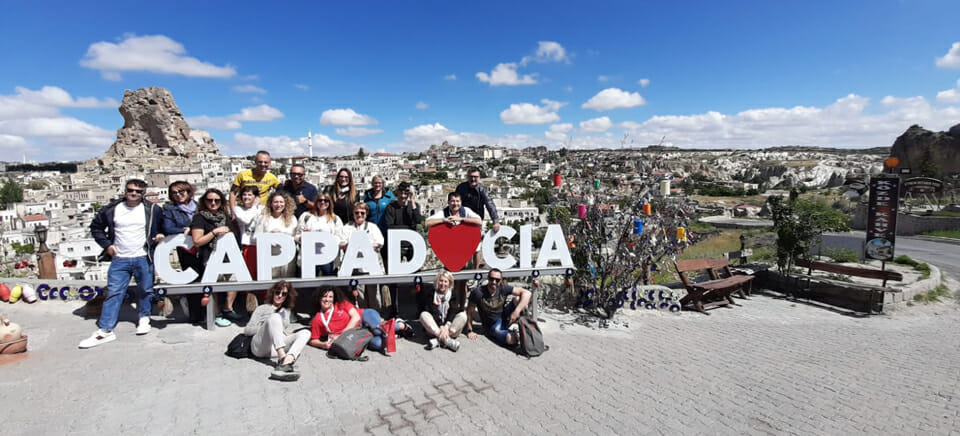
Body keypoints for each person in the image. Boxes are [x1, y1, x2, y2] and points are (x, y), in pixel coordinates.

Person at [80, 179, 165, 348]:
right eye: (131, 190)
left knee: (146, 290)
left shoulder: (153, 209)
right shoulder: (111, 209)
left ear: (144, 194)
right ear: (125, 190)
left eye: (138, 192)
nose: (134, 194)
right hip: (120, 258)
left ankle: (144, 318)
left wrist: (159, 235)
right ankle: (105, 330)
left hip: (143, 256)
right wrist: (107, 246)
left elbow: (162, 227)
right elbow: (96, 228)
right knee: (114, 292)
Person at [308, 288, 412, 353]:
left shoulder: (340, 303)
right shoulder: (318, 319)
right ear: (319, 298)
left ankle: (401, 325)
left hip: (365, 316)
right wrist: (324, 344)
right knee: (378, 344)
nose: (328, 300)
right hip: (357, 333)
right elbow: (313, 340)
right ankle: (390, 333)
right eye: (325, 297)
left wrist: (342, 334)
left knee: (376, 330)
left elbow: (356, 317)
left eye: (330, 297)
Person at [244, 281, 309, 379]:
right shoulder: (262, 308)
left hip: (275, 348)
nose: (280, 296)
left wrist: (282, 332)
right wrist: (265, 327)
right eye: (277, 292)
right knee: (274, 317)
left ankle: (287, 362)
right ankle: (282, 358)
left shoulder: (286, 311)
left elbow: (280, 327)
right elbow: (247, 330)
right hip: (260, 346)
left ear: (287, 296)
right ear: (272, 293)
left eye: (284, 294)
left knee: (306, 333)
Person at [190, 188, 235, 326]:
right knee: (214, 285)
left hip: (228, 255)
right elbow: (197, 241)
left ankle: (228, 308)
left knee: (234, 281)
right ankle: (217, 314)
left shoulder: (224, 216)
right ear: (204, 201)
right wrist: (214, 232)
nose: (213, 203)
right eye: (210, 200)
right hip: (209, 255)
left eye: (217, 200)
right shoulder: (199, 218)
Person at [159, 180, 201, 318]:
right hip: (185, 249)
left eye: (181, 192)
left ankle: (211, 312)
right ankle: (195, 314)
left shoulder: (200, 206)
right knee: (191, 282)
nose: (178, 195)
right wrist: (186, 230)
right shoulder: (170, 209)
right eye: (174, 193)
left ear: (189, 192)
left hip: (204, 246)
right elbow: (167, 228)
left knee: (208, 280)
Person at [381, 181, 422, 317]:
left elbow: (417, 220)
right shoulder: (391, 207)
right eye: (401, 193)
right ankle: (394, 308)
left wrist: (413, 202)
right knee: (394, 279)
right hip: (395, 245)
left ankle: (419, 307)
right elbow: (389, 226)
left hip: (411, 245)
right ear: (397, 193)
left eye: (406, 193)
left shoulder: (414, 206)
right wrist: (408, 230)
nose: (403, 196)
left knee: (417, 277)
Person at [465, 268, 532, 347]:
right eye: (491, 279)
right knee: (511, 340)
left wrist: (517, 311)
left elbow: (527, 293)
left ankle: (523, 326)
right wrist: (470, 330)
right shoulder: (478, 292)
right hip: (492, 327)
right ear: (488, 278)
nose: (494, 282)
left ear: (500, 280)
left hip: (504, 317)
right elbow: (470, 312)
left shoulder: (502, 288)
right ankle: (517, 332)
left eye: (497, 280)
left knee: (519, 299)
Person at [341, 202, 385, 311]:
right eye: (357, 212)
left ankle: (376, 317)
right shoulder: (347, 227)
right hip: (355, 267)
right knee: (360, 297)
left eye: (362, 213)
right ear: (353, 213)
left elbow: (380, 242)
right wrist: (353, 246)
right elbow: (341, 243)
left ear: (366, 214)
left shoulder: (372, 227)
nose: (359, 215)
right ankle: (363, 317)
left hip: (371, 267)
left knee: (374, 296)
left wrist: (366, 246)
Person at [455, 166, 501, 267]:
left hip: (476, 222)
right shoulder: (461, 188)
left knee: (476, 248)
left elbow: (490, 204)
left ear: (479, 177)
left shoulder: (482, 190)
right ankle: (462, 269)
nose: (473, 179)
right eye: (471, 176)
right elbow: (453, 203)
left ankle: (476, 272)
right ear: (467, 177)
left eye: (475, 177)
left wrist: (495, 221)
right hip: (461, 221)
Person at [254, 192, 299, 280]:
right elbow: (256, 237)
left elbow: (295, 237)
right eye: (275, 202)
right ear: (270, 203)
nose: (278, 205)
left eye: (281, 202)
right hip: (269, 257)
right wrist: (270, 235)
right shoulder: (263, 218)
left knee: (286, 282)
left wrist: (282, 234)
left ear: (286, 204)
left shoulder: (292, 218)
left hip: (287, 258)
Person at [418, 270, 466, 352]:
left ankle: (438, 340)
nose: (442, 284)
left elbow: (453, 311)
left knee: (463, 315)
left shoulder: (453, 294)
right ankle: (447, 340)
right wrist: (441, 327)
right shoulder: (431, 293)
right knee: (423, 315)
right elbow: (433, 312)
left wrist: (446, 327)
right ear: (437, 281)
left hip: (449, 328)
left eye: (445, 281)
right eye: (441, 281)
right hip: (435, 328)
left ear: (449, 283)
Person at [297, 192, 343, 276]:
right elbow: (297, 235)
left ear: (330, 203)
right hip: (309, 257)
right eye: (320, 200)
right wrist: (302, 237)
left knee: (327, 285)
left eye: (326, 200)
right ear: (316, 202)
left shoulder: (335, 219)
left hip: (328, 258)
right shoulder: (306, 216)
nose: (323, 202)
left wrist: (328, 239)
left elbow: (339, 237)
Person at [232, 185, 263, 281]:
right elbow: (246, 220)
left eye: (250, 195)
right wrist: (254, 206)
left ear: (256, 197)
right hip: (248, 245)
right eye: (244, 195)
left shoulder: (263, 208)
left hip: (261, 244)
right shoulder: (238, 209)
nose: (246, 197)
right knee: (250, 274)